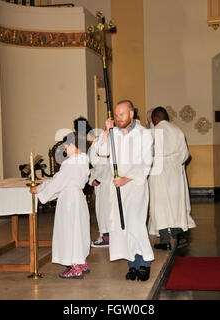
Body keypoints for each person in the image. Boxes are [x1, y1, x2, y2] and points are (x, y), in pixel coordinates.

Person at [96, 100, 154, 281]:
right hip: (117, 187)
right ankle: (133, 263)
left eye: (122, 114)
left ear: (131, 114)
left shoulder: (144, 134)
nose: (118, 118)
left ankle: (144, 262)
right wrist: (106, 131)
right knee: (123, 225)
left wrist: (126, 179)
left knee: (135, 223)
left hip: (135, 186)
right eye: (116, 114)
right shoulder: (113, 134)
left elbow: (146, 163)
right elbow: (100, 151)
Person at [30, 132, 91, 279]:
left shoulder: (70, 163)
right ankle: (81, 262)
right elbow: (62, 182)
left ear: (74, 145)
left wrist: (38, 190)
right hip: (78, 198)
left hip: (69, 201)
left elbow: (57, 183)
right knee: (78, 230)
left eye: (66, 144)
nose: (64, 147)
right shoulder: (83, 159)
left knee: (69, 231)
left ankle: (75, 266)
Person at [149, 106, 196, 250]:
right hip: (175, 171)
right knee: (176, 203)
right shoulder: (178, 131)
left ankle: (164, 240)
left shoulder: (153, 132)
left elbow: (147, 154)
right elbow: (185, 155)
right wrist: (175, 163)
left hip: (158, 170)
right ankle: (179, 236)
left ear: (155, 118)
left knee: (160, 204)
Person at [88, 136, 112, 247]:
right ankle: (107, 236)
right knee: (102, 210)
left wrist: (98, 179)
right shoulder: (96, 143)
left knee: (105, 210)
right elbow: (96, 167)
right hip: (102, 181)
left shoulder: (103, 141)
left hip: (106, 182)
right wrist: (91, 179)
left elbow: (108, 164)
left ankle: (107, 238)